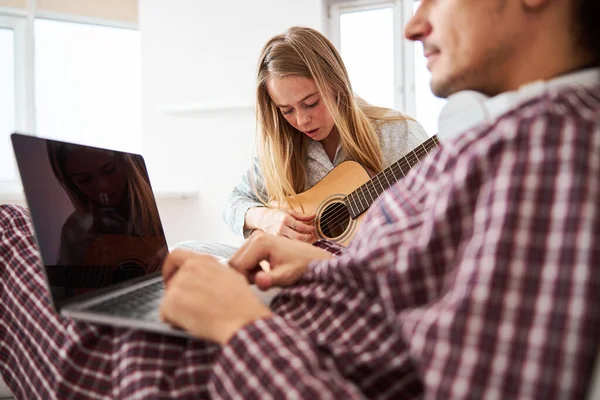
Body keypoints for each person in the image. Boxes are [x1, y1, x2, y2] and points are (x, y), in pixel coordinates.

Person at [1, 1, 599, 399]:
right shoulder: (519, 137)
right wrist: (303, 254)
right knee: (166, 254)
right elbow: (410, 290)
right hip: (278, 318)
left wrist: (237, 324)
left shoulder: (549, 150)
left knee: (9, 229)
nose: (414, 25)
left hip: (202, 370)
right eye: (287, 110)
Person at [178, 26, 427, 258]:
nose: (302, 120)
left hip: (360, 270)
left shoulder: (398, 132)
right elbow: (233, 203)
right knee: (183, 252)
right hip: (289, 267)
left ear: (337, 85)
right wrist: (266, 219)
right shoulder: (283, 147)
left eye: (310, 103)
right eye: (287, 110)